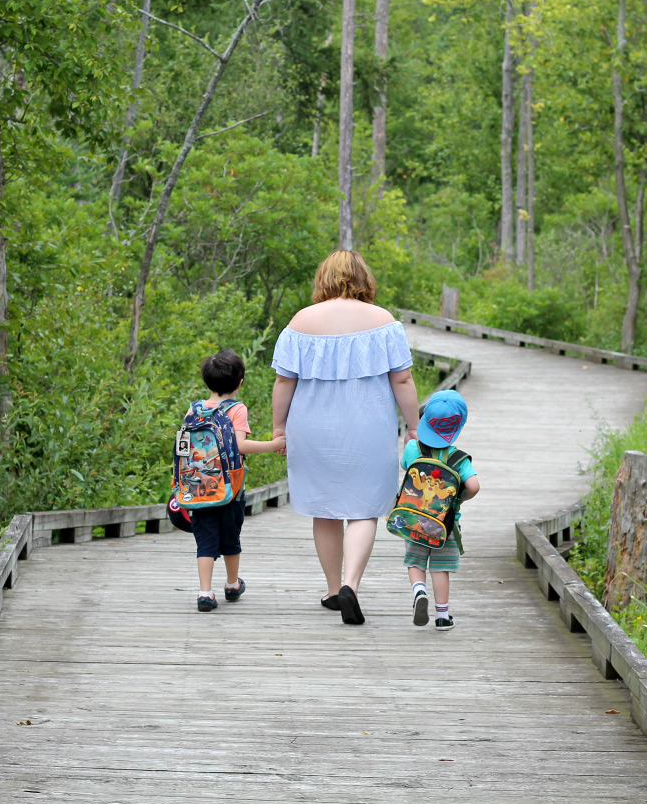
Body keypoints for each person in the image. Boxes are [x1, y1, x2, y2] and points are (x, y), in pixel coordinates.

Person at [271, 251, 420, 625]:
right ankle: (353, 583)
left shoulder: (300, 322)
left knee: (325, 509)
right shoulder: (384, 322)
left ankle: (334, 588)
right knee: (364, 509)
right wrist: (414, 427)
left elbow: (284, 381)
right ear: (363, 279)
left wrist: (278, 428)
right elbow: (402, 380)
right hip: (369, 427)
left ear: (323, 278)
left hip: (312, 428)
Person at [190, 350, 285, 612]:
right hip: (229, 490)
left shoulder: (194, 408)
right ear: (240, 383)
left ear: (207, 381)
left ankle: (205, 593)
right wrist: (273, 444)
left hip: (198, 487)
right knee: (230, 537)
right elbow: (240, 445)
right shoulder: (236, 409)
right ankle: (232, 584)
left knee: (205, 541)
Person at [403, 390, 479, 631]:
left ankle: (419, 591)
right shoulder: (459, 459)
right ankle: (443, 616)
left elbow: (405, 467)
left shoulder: (413, 449)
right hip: (445, 525)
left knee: (416, 561)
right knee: (440, 567)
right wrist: (458, 501)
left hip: (413, 519)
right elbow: (473, 486)